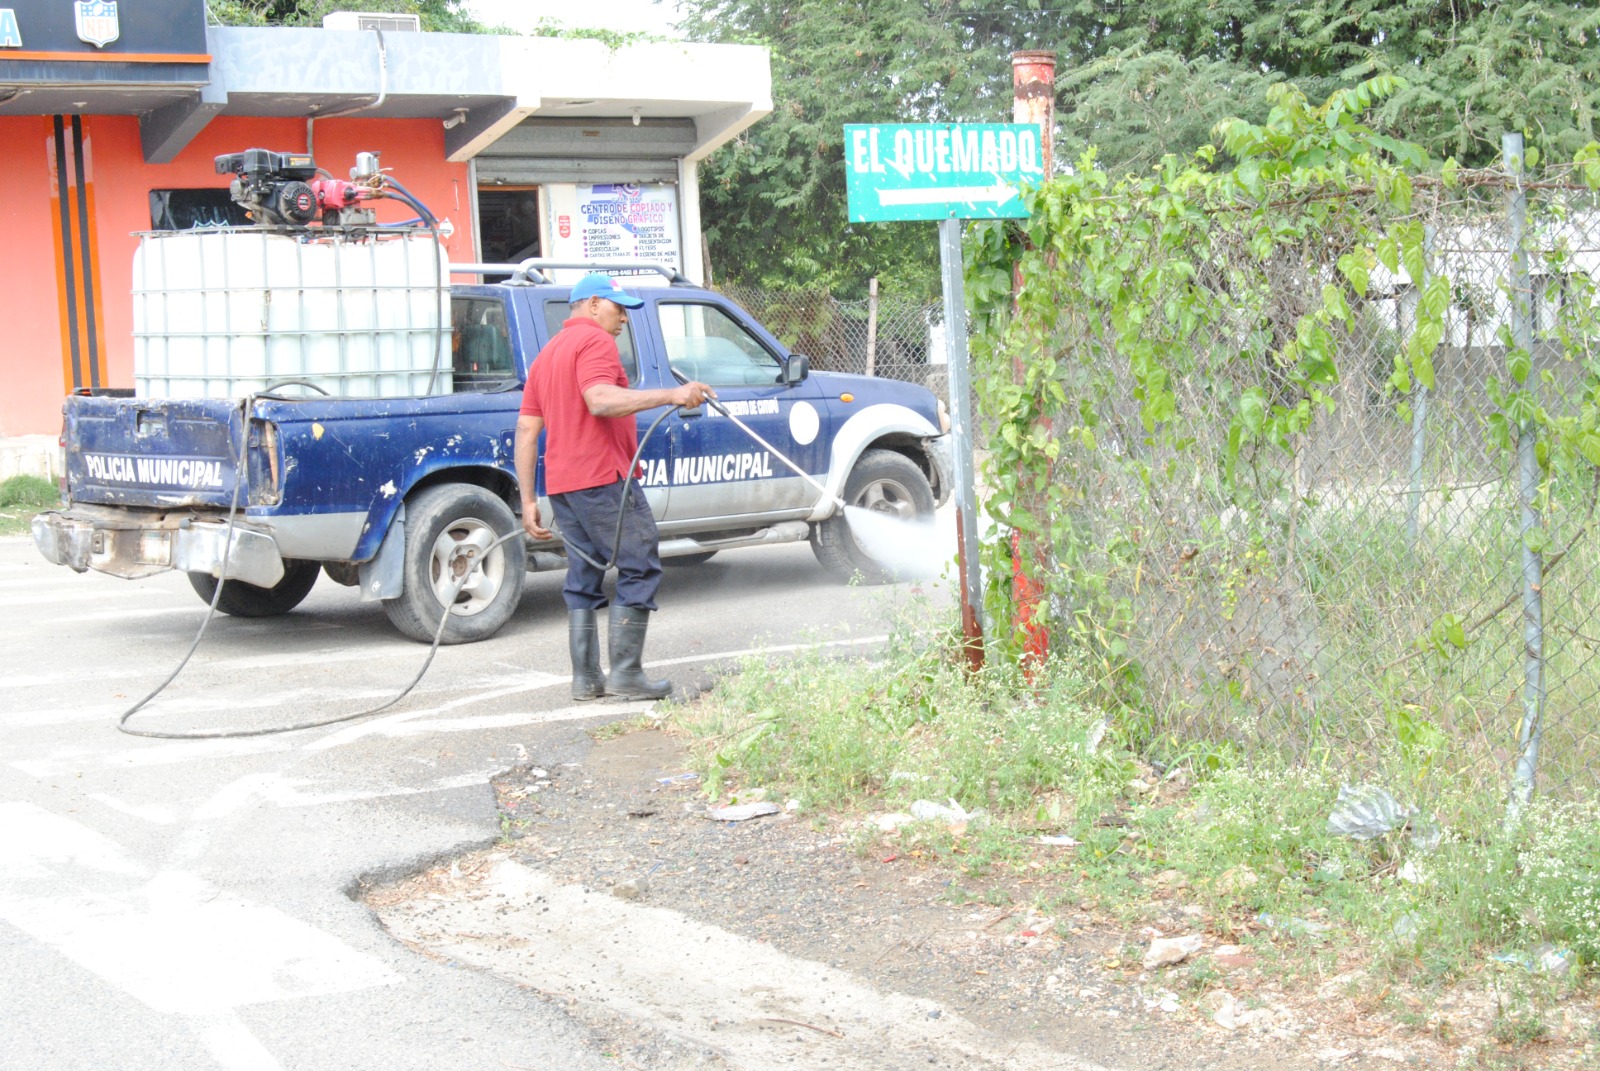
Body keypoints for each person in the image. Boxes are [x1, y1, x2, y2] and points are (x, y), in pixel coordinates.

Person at [514, 273, 713, 701]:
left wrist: (528, 499)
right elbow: (600, 400)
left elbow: (527, 430)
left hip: (564, 486)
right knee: (640, 563)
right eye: (617, 308)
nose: (623, 318)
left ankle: (586, 679)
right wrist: (672, 395)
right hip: (602, 478)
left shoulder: (547, 354)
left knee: (583, 575)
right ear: (591, 305)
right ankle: (625, 673)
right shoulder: (595, 341)